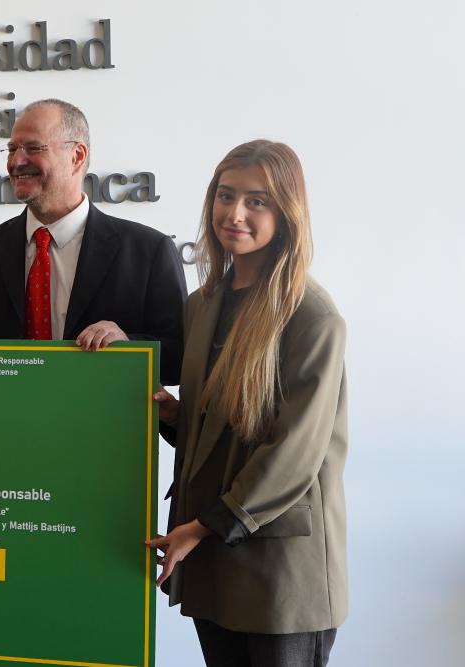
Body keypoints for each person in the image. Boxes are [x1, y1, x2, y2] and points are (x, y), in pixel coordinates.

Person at [148, 140, 347, 667]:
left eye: (257, 201)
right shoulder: (203, 304)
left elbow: (296, 450)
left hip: (278, 569)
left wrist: (204, 526)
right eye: (225, 195)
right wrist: (176, 417)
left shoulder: (312, 315)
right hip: (211, 556)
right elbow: (224, 428)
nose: (234, 214)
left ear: (287, 213)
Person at [0, 98, 186, 385]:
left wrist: (128, 344)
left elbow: (179, 359)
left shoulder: (148, 251)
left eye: (33, 148)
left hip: (101, 427)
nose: (16, 161)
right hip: (4, 426)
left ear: (77, 156)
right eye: (12, 149)